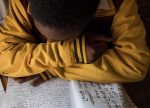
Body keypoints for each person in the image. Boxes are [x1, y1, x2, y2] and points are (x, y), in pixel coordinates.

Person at [0, 0, 149, 86]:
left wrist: (50, 69)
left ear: (92, 16)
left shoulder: (120, 4)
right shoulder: (21, 2)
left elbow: (134, 65)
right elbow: (3, 58)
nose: (55, 43)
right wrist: (70, 52)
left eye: (64, 41)